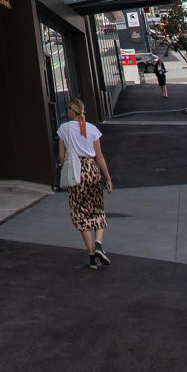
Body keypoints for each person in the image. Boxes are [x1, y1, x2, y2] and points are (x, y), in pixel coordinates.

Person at [56, 98, 114, 270]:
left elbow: (61, 156)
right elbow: (100, 156)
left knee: (81, 213)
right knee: (97, 208)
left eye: (68, 109)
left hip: (76, 172)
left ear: (73, 111)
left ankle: (91, 258)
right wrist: (108, 178)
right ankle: (99, 244)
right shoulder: (92, 129)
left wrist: (64, 169)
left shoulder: (64, 129)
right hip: (91, 170)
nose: (67, 112)